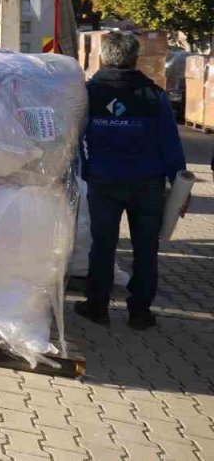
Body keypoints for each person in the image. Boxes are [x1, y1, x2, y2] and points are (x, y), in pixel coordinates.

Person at [75, 30, 187, 330]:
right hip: (147, 185)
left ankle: (97, 307)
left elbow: (75, 138)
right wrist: (180, 186)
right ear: (135, 59)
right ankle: (139, 313)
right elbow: (170, 144)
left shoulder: (88, 94)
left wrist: (81, 173)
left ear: (103, 58)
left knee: (103, 246)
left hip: (103, 182)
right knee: (146, 248)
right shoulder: (153, 96)